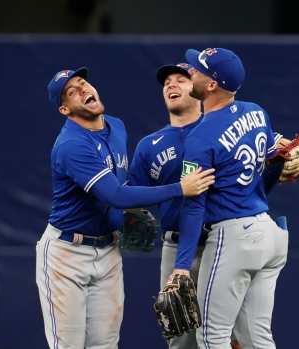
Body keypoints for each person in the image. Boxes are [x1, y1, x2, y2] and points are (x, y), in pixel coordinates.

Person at [36, 67, 215, 349]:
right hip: (67, 253)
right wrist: (180, 189)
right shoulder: (71, 145)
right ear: (65, 109)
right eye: (72, 91)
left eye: (83, 83)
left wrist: (132, 214)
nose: (83, 89)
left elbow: (123, 186)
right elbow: (116, 195)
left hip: (109, 250)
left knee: (105, 345)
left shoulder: (116, 126)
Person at [128, 62, 289, 349]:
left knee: (228, 337)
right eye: (167, 81)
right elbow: (134, 199)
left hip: (225, 242)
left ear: (202, 88)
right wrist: (131, 213)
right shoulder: (149, 145)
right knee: (183, 342)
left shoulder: (215, 131)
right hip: (179, 244)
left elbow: (252, 183)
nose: (172, 84)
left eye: (183, 78)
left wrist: (279, 163)